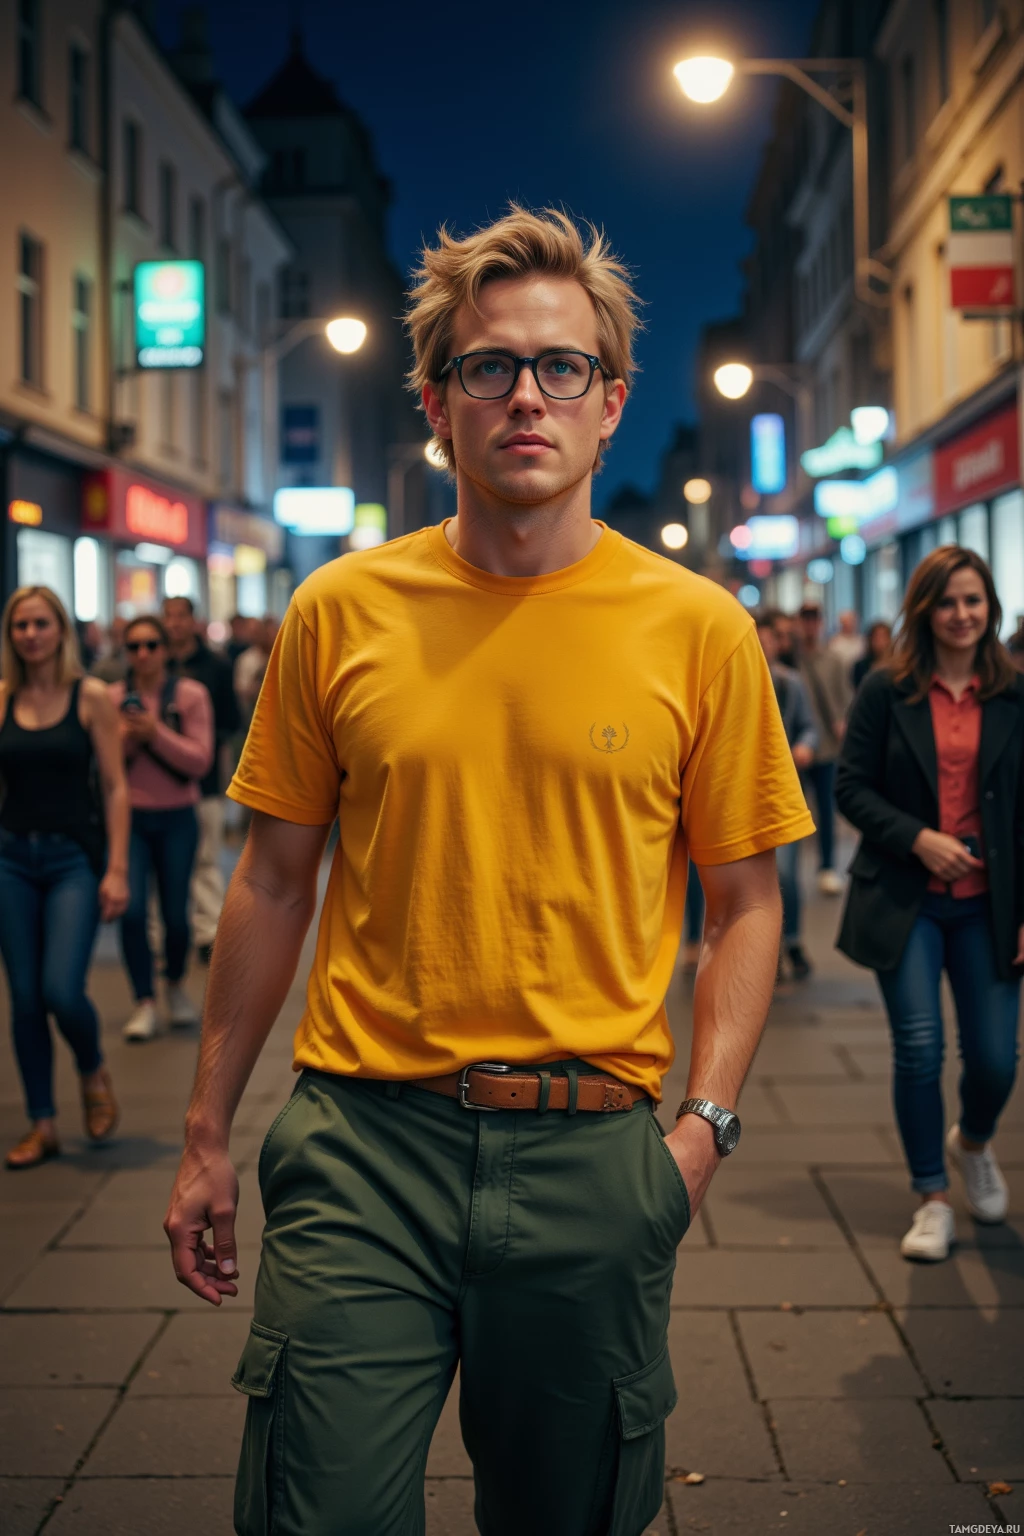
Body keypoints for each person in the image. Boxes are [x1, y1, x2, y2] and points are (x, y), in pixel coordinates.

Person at [164, 207, 813, 1536]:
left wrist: (705, 1131)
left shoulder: (700, 631)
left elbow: (746, 904)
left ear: (612, 401)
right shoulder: (339, 613)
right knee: (316, 1514)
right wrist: (204, 1136)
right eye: (488, 367)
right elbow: (274, 882)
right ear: (436, 402)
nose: (527, 394)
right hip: (361, 1148)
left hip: (593, 1159)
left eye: (561, 366)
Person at [836, 546, 1023, 1263]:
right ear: (924, 611)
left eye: (973, 600)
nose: (962, 615)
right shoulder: (888, 691)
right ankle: (931, 1198)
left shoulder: (1013, 695)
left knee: (996, 1061)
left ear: (990, 607)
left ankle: (972, 1142)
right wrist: (918, 838)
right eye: (947, 602)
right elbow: (850, 787)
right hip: (908, 902)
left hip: (990, 906)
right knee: (918, 1051)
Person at [0, 587, 130, 1168]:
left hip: (72, 860)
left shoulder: (91, 696)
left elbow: (114, 786)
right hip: (11, 860)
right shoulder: (2, 698)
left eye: (41, 623)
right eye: (21, 625)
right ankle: (43, 1123)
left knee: (60, 990)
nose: (30, 634)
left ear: (60, 630)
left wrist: (118, 868)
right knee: (25, 998)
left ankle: (90, 1066)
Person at [109, 616, 213, 1042]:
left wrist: (155, 734)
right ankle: (144, 1001)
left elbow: (199, 761)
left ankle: (174, 984)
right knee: (131, 911)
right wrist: (125, 737)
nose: (144, 654)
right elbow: (101, 764)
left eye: (152, 644)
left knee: (176, 916)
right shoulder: (111, 698)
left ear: (166, 649)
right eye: (134, 647)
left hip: (177, 819)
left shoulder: (189, 695)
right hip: (129, 820)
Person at [162, 596, 241, 963]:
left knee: (205, 857)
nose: (175, 624)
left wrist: (200, 738)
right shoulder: (153, 662)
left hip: (203, 779)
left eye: (181, 617)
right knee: (159, 864)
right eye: (169, 617)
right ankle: (161, 935)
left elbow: (230, 720)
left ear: (193, 621)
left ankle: (208, 932)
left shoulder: (215, 666)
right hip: (155, 782)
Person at [757, 610, 818, 980]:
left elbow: (809, 727)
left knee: (786, 873)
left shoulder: (789, 683)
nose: (764, 647)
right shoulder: (731, 678)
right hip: (741, 795)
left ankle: (790, 939)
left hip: (783, 793)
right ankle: (766, 951)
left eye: (768, 641)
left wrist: (805, 746)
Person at [796, 601, 853, 895]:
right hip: (795, 750)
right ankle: (789, 874)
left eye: (813, 618)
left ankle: (827, 866)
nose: (809, 624)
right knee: (793, 811)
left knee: (826, 809)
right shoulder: (792, 660)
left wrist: (843, 724)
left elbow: (845, 698)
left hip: (827, 747)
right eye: (804, 619)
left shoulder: (832, 659)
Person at [852, 620, 893, 689]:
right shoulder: (860, 666)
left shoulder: (897, 665)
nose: (880, 641)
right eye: (877, 637)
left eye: (884, 636)